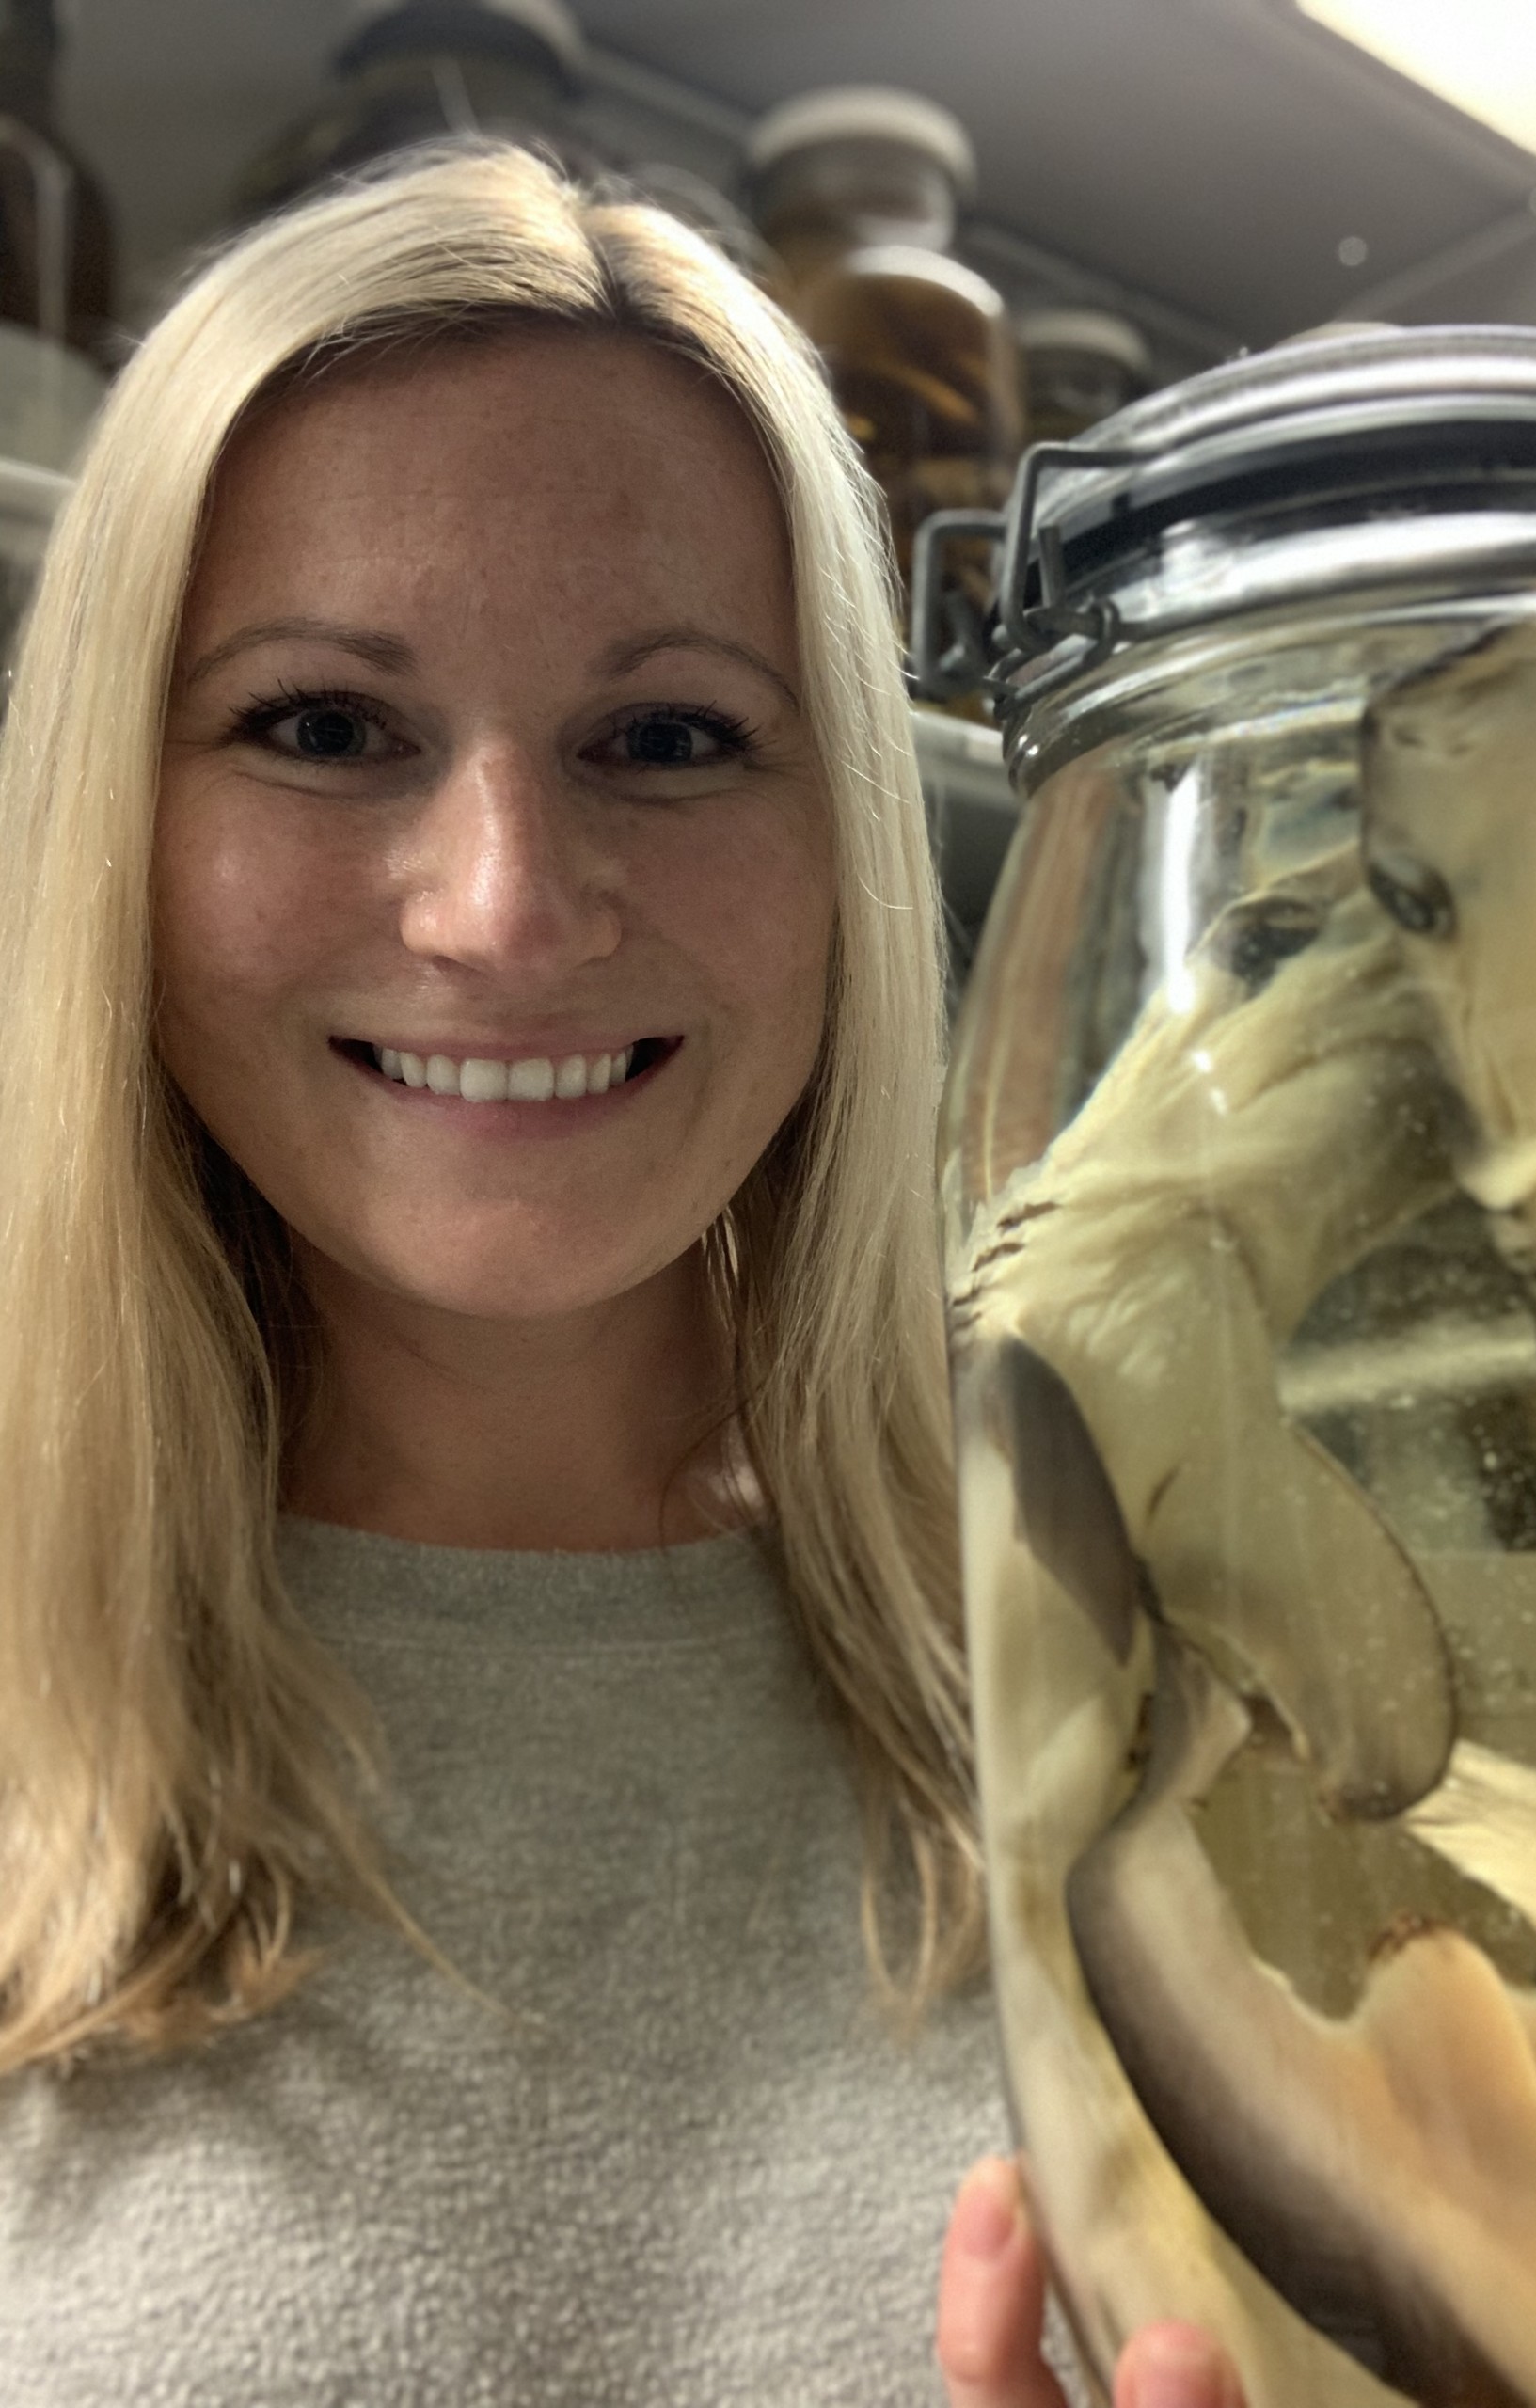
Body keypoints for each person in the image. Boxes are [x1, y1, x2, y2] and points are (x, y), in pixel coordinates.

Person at [0, 143, 1243, 2408]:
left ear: (843, 840)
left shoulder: (1147, 1655)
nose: (505, 903)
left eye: (667, 736)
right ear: (118, 828)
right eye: (323, 724)